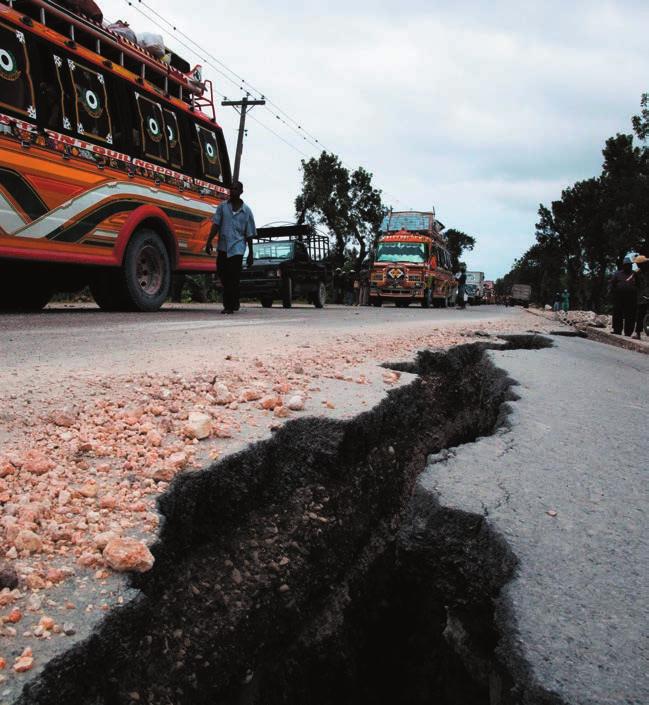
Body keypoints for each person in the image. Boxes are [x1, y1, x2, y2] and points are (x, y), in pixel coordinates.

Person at [205, 181, 256, 314]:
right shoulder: (222, 207)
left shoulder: (247, 211)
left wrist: (251, 253)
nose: (232, 191)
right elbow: (216, 224)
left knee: (233, 277)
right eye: (231, 188)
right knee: (222, 273)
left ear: (241, 191)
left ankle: (229, 305)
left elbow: (249, 233)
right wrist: (209, 241)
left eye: (235, 189)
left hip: (238, 249)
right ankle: (234, 301)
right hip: (223, 247)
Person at [609, 256, 638, 336]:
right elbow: (612, 284)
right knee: (617, 313)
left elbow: (639, 285)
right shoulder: (617, 274)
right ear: (623, 266)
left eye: (630, 265)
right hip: (619, 297)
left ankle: (628, 332)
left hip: (631, 298)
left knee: (630, 315)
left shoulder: (634, 274)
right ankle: (617, 330)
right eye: (627, 265)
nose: (629, 266)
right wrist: (612, 292)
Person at [633, 254, 649, 340]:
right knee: (640, 315)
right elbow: (636, 285)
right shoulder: (637, 273)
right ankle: (638, 333)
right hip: (642, 296)